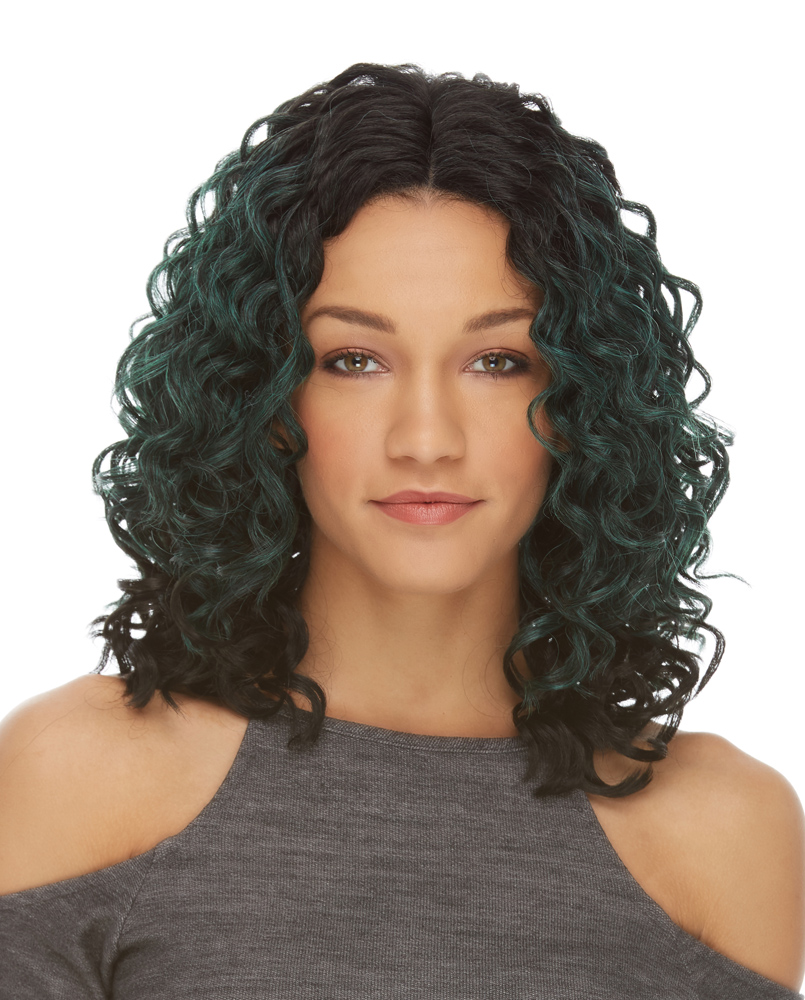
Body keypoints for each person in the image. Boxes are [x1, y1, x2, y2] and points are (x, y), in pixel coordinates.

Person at [0, 62, 802, 998]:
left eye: (497, 361)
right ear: (265, 398)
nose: (426, 439)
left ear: (582, 404)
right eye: (354, 360)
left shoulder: (723, 834)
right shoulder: (81, 778)